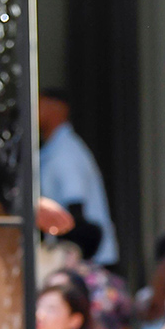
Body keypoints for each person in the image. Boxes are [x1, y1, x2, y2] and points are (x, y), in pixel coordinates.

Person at [38, 88, 119, 267]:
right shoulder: (52, 148)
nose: (34, 110)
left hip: (90, 261)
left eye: (40, 103)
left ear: (58, 108)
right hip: (72, 259)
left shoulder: (67, 151)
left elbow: (76, 211)